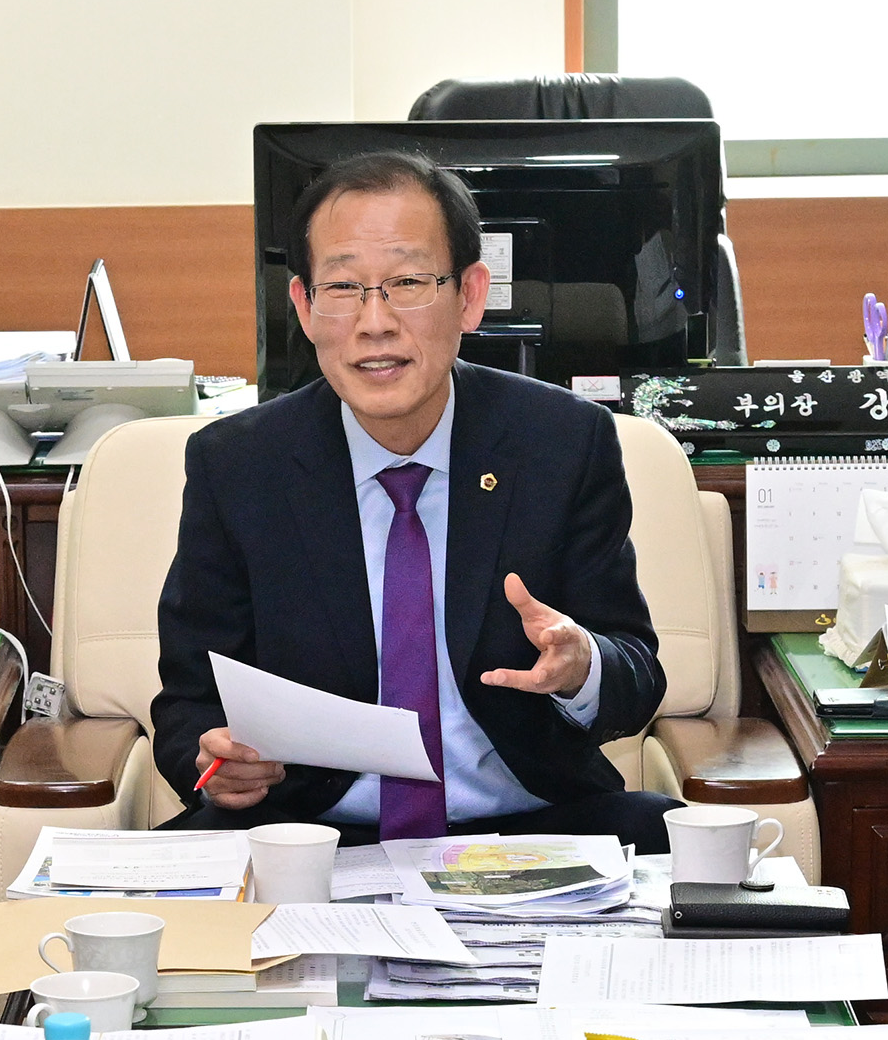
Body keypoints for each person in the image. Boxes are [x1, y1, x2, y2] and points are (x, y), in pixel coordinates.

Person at [152, 150, 674, 850]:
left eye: (406, 282)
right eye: (343, 287)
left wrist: (581, 664)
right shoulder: (240, 465)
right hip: (309, 832)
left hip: (526, 826)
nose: (375, 321)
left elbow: (636, 673)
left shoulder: (562, 443)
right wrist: (213, 760)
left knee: (690, 863)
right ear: (304, 307)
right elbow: (188, 703)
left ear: (470, 295)